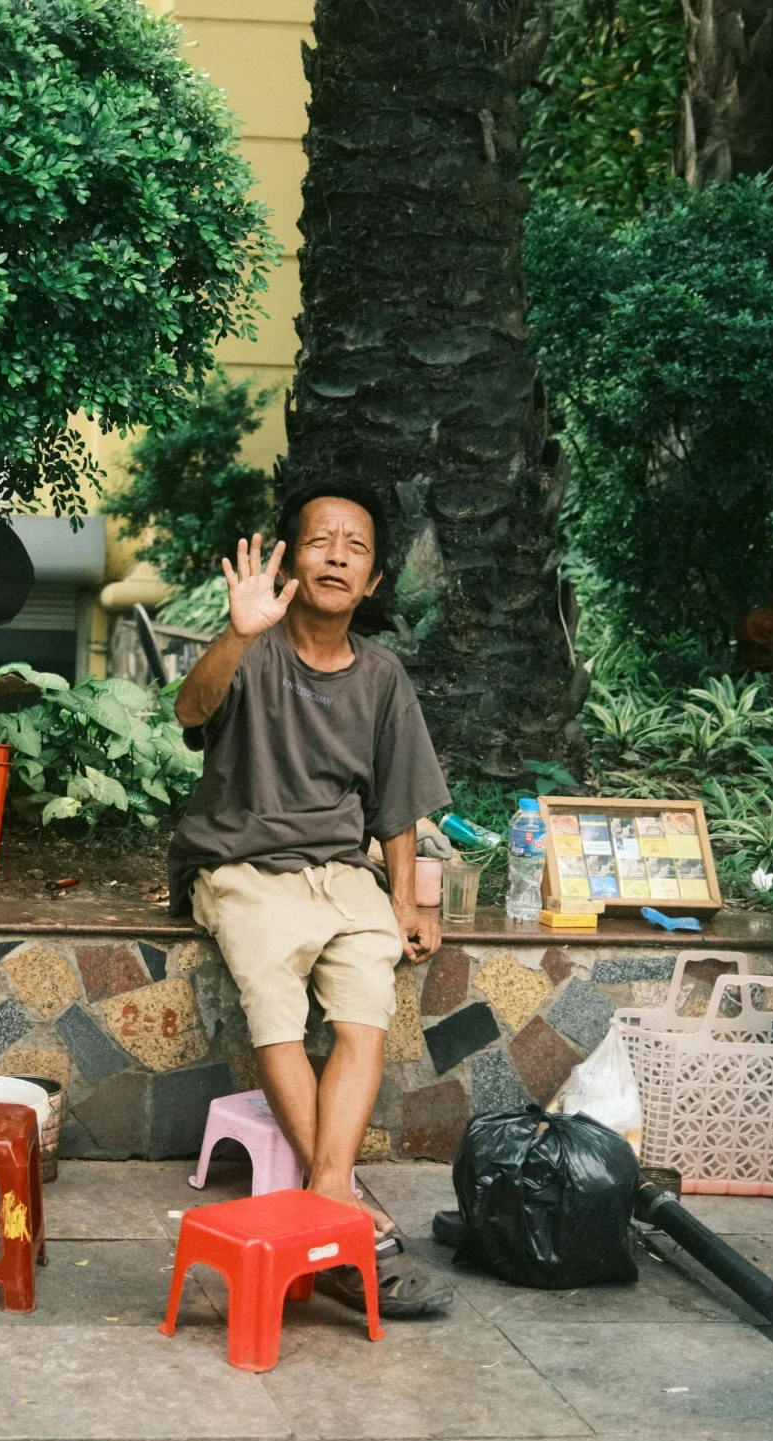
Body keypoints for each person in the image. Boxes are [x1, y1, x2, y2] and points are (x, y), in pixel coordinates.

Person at [168, 477, 454, 1317]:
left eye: (356, 547)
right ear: (292, 560)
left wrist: (406, 898)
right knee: (274, 1000)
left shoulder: (383, 677)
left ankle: (328, 1196)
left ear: (371, 584)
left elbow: (398, 803)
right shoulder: (251, 650)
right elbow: (190, 708)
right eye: (322, 539)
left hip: (339, 874)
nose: (337, 554)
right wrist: (233, 631)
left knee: (368, 1000)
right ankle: (345, 1215)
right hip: (241, 866)